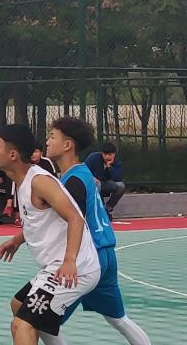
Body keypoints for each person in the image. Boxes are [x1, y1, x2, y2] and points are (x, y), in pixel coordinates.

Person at [0, 124, 100, 345]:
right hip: (56, 266)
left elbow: (75, 218)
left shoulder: (40, 181)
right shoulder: (22, 181)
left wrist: (70, 260)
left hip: (76, 268)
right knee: (18, 306)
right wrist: (17, 240)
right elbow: (38, 219)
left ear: (13, 155)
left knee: (23, 324)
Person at [47, 118, 151, 345]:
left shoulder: (73, 182)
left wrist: (69, 259)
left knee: (42, 320)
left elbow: (73, 222)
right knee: (118, 319)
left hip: (88, 257)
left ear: (67, 145)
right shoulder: (83, 172)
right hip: (106, 252)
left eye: (52, 136)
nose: (47, 141)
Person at [85, 142, 126, 219]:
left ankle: (108, 209)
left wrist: (109, 167)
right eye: (105, 154)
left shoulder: (116, 161)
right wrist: (92, 178)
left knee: (121, 186)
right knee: (97, 184)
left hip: (105, 184)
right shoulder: (93, 157)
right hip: (92, 184)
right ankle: (99, 210)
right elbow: (85, 171)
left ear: (114, 154)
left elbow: (118, 178)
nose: (107, 157)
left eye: (110, 154)